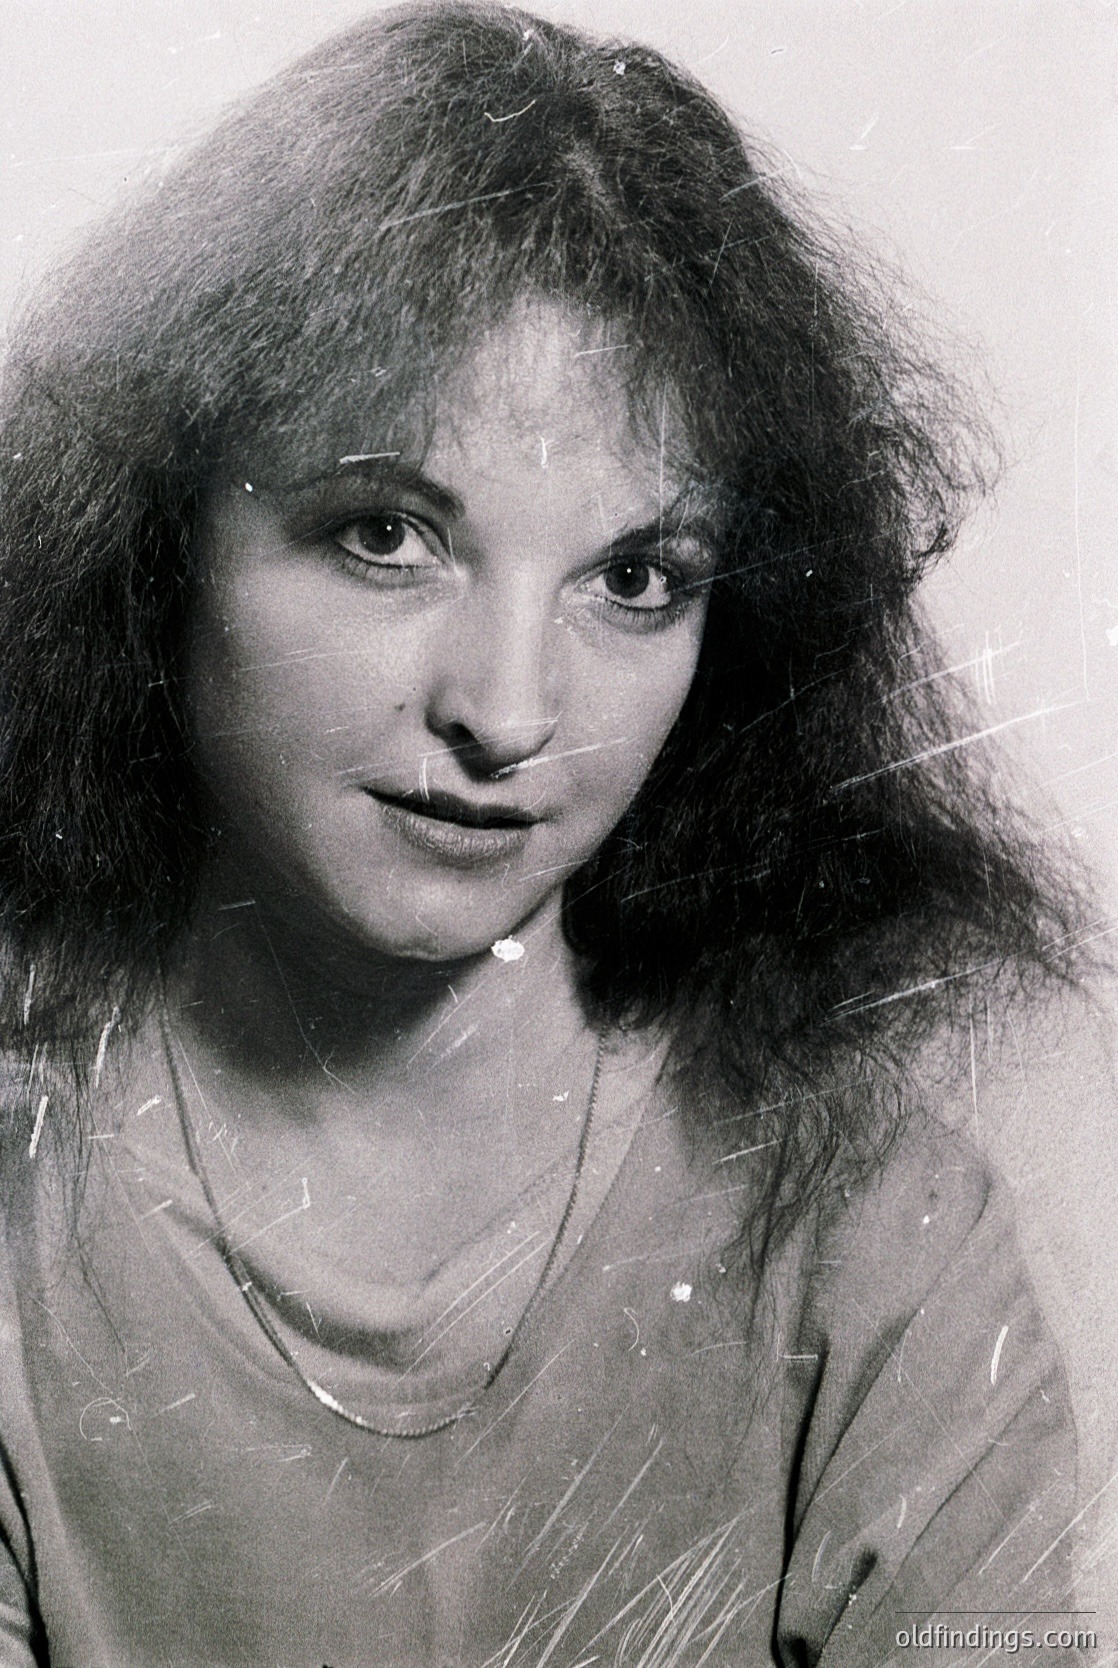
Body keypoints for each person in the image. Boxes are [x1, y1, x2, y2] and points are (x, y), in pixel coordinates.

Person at [0, 2, 1097, 1662]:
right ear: (151, 537)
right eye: (386, 535)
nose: (508, 715)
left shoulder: (863, 1219)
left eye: (633, 579)